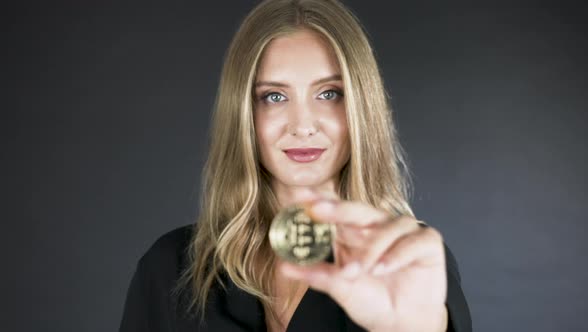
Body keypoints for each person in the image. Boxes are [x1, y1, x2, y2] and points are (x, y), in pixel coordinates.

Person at [119, 0, 472, 331]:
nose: (302, 125)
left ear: (362, 108)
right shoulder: (169, 267)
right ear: (243, 112)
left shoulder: (405, 263)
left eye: (329, 93)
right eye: (274, 97)